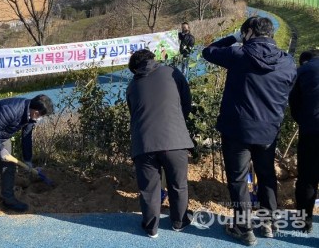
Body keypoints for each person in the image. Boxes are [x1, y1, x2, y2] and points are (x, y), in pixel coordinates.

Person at [202, 16, 296, 245]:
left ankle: (244, 228)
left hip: (237, 130)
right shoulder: (287, 61)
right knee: (266, 175)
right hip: (268, 131)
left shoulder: (239, 55)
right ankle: (269, 223)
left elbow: (208, 51)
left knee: (238, 179)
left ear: (249, 32)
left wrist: (234, 38)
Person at [126, 49, 194, 238]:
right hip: (174, 140)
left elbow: (134, 114)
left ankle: (151, 227)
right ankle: (179, 222)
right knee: (178, 184)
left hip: (144, 144)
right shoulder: (172, 72)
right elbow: (186, 101)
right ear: (152, 59)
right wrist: (176, 123)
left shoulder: (132, 86)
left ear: (135, 69)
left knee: (149, 188)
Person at [0, 94, 54, 234]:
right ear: (35, 111)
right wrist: (0, 149)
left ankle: (8, 200)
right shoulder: (11, 110)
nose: (40, 119)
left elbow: (26, 137)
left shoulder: (31, 116)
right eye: (40, 115)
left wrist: (28, 160)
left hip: (2, 136)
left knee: (9, 168)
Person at [289, 48, 319, 234]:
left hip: (312, 131)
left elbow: (294, 104)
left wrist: (304, 121)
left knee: (307, 178)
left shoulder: (302, 72)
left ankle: (304, 221)